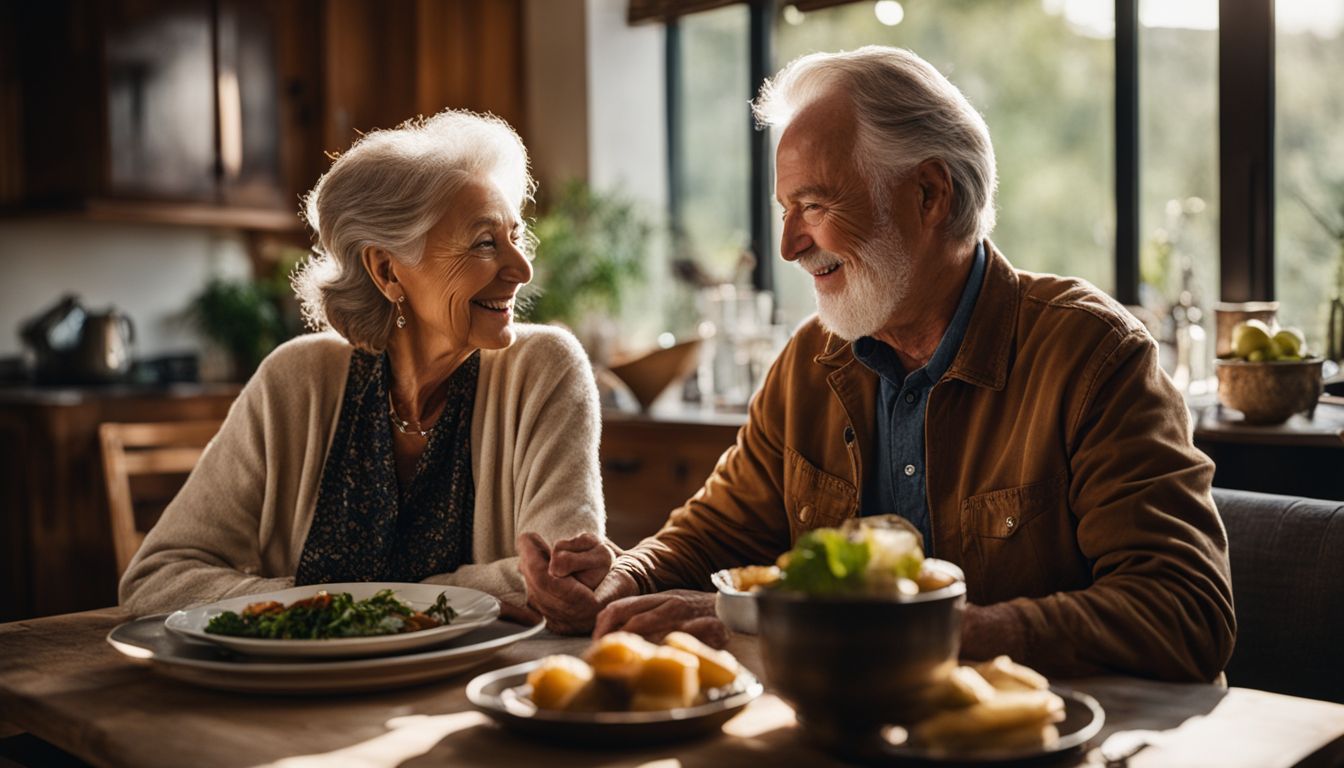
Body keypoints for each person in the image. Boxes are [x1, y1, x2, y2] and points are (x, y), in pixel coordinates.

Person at [520, 47, 1235, 682]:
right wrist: (617, 579)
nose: (789, 245)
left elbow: (1185, 611)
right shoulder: (810, 360)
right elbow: (714, 533)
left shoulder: (1093, 356)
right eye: (783, 208)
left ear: (929, 194)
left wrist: (909, 635)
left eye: (814, 204)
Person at [120, 110, 609, 619]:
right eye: (485, 243)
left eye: (515, 236)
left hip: (468, 687)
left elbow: (561, 577)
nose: (522, 268)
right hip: (295, 693)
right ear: (387, 271)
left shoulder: (544, 371)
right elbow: (157, 576)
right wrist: (385, 604)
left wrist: (329, 601)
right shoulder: (295, 381)